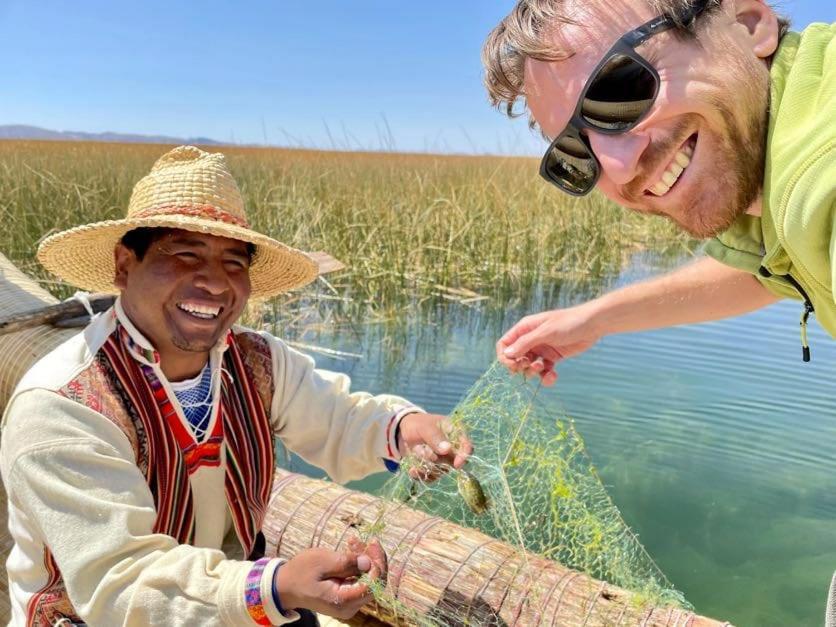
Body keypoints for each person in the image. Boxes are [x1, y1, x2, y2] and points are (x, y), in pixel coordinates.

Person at [0, 146, 471, 626]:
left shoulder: (255, 361)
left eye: (233, 262)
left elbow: (338, 418)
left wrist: (406, 428)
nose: (214, 283)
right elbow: (120, 583)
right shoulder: (61, 406)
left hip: (231, 601)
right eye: (184, 254)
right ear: (125, 265)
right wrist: (278, 588)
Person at [482, 0, 834, 618]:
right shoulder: (773, 166)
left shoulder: (820, 179)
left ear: (748, 22)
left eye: (619, 90)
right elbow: (756, 270)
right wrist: (592, 318)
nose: (617, 169)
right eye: (576, 150)